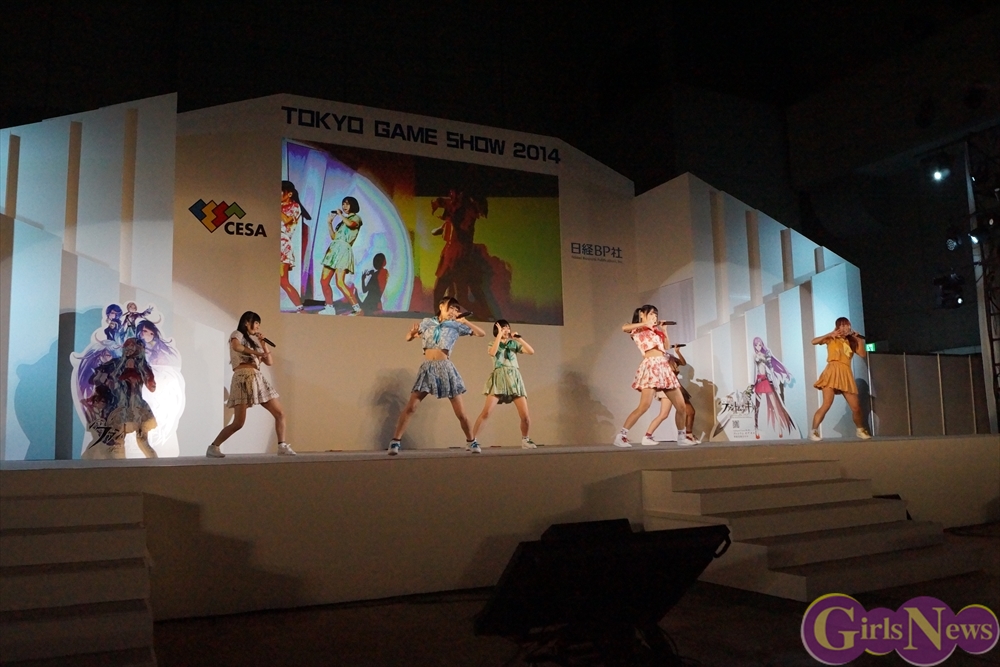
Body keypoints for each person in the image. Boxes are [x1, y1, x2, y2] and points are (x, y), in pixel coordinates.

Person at [388, 297, 486, 455]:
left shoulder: (455, 325)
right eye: (451, 307)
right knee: (411, 407)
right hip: (428, 368)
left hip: (445, 367)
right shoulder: (427, 322)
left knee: (461, 413)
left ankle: (471, 441)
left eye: (456, 309)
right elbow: (408, 337)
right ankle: (395, 442)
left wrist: (465, 322)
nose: (454, 311)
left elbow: (481, 333)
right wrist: (411, 334)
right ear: (441, 306)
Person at [207, 311, 296, 457]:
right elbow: (236, 347)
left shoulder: (255, 343)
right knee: (238, 423)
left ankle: (282, 446)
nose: (258, 327)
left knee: (280, 413)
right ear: (247, 322)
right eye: (256, 323)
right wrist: (258, 353)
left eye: (259, 324)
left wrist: (263, 345)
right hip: (242, 377)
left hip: (257, 377)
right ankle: (213, 447)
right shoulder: (237, 334)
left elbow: (269, 361)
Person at [615, 305, 696, 447]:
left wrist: (664, 330)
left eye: (656, 314)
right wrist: (645, 324)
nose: (654, 317)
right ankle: (621, 436)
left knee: (681, 406)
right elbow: (624, 328)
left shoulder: (656, 331)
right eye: (651, 313)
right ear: (642, 314)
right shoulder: (638, 329)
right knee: (644, 406)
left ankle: (681, 437)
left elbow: (666, 347)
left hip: (664, 367)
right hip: (651, 366)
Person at [472, 320, 538, 449]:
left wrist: (518, 338)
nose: (506, 330)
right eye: (503, 328)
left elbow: (531, 351)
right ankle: (472, 440)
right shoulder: (492, 343)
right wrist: (499, 335)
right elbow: (492, 352)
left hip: (514, 378)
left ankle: (525, 439)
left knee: (525, 416)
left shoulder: (513, 344)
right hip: (500, 377)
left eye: (508, 327)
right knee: (486, 412)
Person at [809, 317, 871, 440]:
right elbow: (813, 341)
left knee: (856, 407)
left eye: (847, 325)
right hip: (831, 372)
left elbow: (863, 354)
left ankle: (860, 430)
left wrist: (858, 339)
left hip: (845, 374)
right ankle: (813, 431)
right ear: (837, 327)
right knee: (826, 404)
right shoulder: (831, 338)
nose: (845, 328)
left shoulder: (851, 341)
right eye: (842, 325)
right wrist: (829, 334)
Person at [320, 196, 363, 315]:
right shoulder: (342, 222)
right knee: (324, 281)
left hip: (343, 250)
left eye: (347, 204)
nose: (344, 206)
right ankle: (329, 307)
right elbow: (334, 237)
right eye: (343, 204)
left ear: (353, 205)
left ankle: (358, 309)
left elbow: (351, 224)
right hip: (333, 249)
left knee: (340, 282)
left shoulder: (356, 218)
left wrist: (340, 215)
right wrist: (329, 223)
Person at [751, 337, 796, 438]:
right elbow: (754, 370)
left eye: (759, 345)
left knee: (775, 405)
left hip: (766, 380)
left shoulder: (766, 354)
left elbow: (771, 369)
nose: (758, 347)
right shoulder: (754, 355)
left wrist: (775, 382)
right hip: (758, 380)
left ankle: (780, 429)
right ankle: (756, 430)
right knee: (757, 407)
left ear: (762, 345)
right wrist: (752, 383)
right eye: (756, 345)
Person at [280, 180, 310, 313]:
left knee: (283, 280)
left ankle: (300, 308)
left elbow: (287, 220)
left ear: (289, 194)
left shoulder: (295, 206)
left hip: (283, 244)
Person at [666, 344, 697, 443]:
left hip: (677, 386)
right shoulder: (658, 360)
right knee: (665, 414)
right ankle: (684, 435)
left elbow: (683, 363)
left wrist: (677, 352)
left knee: (689, 412)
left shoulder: (670, 358)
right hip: (670, 387)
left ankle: (687, 435)